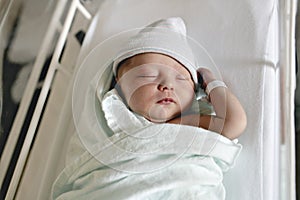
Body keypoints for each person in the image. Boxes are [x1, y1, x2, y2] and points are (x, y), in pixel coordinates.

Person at [111, 17, 247, 140]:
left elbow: (234, 123)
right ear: (119, 81)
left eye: (181, 78)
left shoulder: (187, 123)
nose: (168, 85)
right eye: (149, 75)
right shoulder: (111, 115)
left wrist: (210, 82)